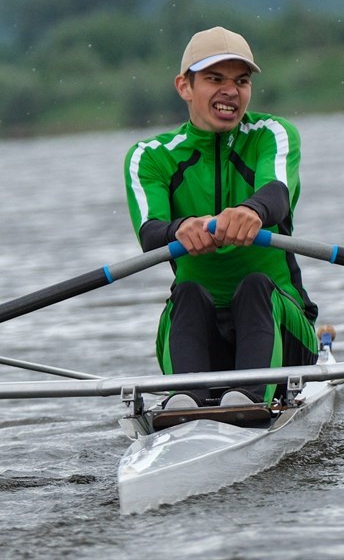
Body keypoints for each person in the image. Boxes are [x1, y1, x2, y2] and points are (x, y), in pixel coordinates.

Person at [123, 26, 318, 409]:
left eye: (241, 81)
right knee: (188, 295)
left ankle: (246, 403)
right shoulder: (150, 156)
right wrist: (181, 229)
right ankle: (185, 404)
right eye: (215, 79)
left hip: (285, 332)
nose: (231, 91)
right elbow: (151, 233)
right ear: (184, 87)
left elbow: (276, 193)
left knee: (255, 286)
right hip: (201, 332)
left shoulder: (271, 134)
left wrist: (251, 211)